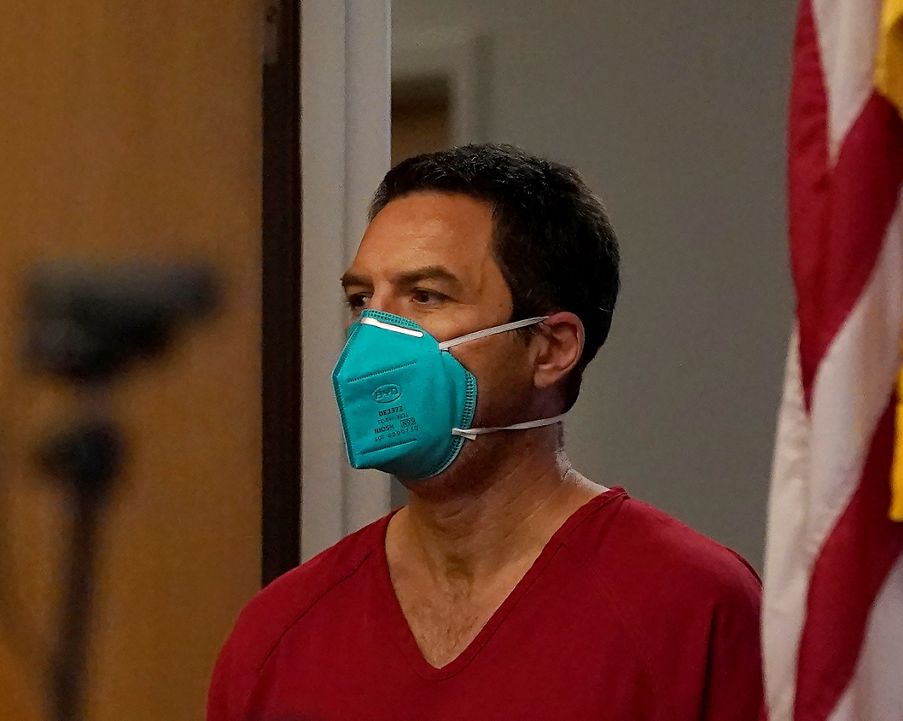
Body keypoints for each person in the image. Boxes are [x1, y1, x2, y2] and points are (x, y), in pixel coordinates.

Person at [208, 144, 764, 720]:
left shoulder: (693, 608)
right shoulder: (279, 633)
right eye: (361, 301)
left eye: (426, 296)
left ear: (550, 349)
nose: (375, 335)